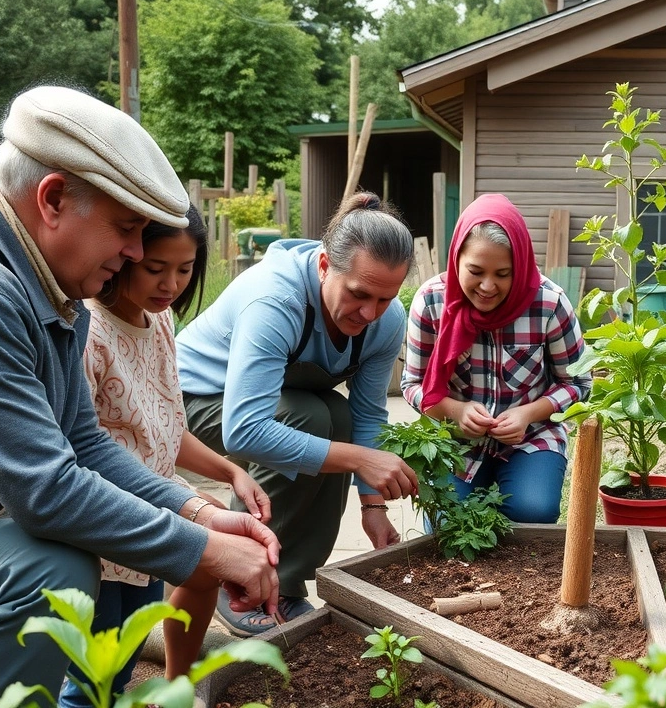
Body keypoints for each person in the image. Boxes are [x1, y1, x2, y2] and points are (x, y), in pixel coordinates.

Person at [0, 86, 281, 707]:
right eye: (126, 229)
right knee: (48, 570)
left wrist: (199, 514)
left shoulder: (37, 286)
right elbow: (45, 492)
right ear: (52, 199)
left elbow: (83, 442)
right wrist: (204, 552)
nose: (133, 252)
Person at [56, 206, 273, 706]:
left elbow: (166, 429)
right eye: (156, 268)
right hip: (109, 531)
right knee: (94, 678)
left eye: (185, 268)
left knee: (131, 647)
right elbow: (83, 448)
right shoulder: (90, 334)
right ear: (125, 254)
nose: (171, 283)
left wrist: (230, 471)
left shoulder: (160, 321)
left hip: (159, 516)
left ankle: (174, 691)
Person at [176, 192, 419, 636]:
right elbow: (245, 430)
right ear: (325, 265)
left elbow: (367, 415)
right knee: (308, 418)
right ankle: (241, 579)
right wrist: (359, 460)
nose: (370, 313)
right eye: (360, 294)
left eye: (385, 299)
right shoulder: (276, 297)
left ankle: (285, 583)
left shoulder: (386, 321)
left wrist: (373, 505)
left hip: (278, 402)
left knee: (337, 418)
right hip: (189, 403)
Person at [401, 193, 590, 523]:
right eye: (475, 271)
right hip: (454, 442)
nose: (487, 286)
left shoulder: (549, 304)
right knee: (446, 522)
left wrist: (528, 414)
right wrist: (455, 411)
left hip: (532, 437)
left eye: (503, 274)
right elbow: (414, 385)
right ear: (456, 258)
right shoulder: (431, 302)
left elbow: (577, 382)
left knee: (532, 511)